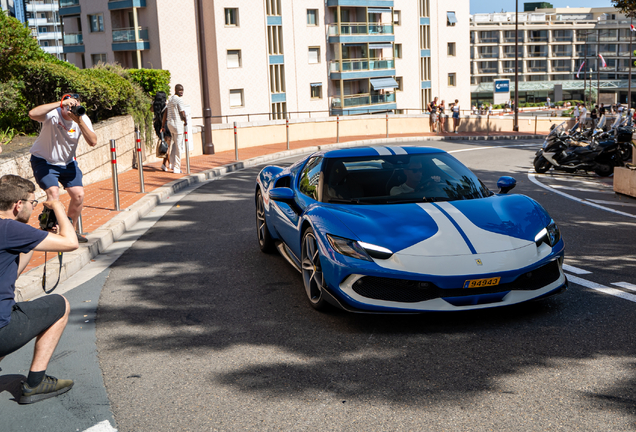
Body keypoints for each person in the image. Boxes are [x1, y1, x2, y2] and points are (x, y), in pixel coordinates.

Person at [0, 175, 78, 404]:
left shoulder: (12, 233)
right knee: (61, 304)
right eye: (32, 204)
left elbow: (12, 273)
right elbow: (71, 242)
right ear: (18, 205)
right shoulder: (9, 229)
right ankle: (35, 383)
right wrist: (58, 207)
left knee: (13, 309)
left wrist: (35, 239)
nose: (34, 208)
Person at [28, 94, 98, 243]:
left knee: (78, 195)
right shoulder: (53, 114)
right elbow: (32, 114)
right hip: (44, 161)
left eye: (75, 104)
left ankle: (70, 231)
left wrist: (79, 121)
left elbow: (93, 141)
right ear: (63, 104)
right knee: (53, 193)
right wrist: (60, 103)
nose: (71, 108)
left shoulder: (82, 118)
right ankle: (47, 229)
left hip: (67, 163)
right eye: (68, 104)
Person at [161, 84, 188, 174]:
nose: (181, 92)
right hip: (177, 125)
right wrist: (185, 121)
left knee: (174, 145)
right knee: (179, 147)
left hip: (170, 125)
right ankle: (177, 167)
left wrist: (163, 125)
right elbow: (182, 112)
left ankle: (172, 164)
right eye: (180, 90)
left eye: (182, 90)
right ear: (176, 90)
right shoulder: (179, 100)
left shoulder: (171, 99)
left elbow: (166, 112)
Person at [151, 91, 172, 172]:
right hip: (165, 126)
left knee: (165, 145)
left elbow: (151, 110)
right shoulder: (165, 106)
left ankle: (165, 164)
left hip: (157, 126)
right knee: (167, 146)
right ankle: (168, 163)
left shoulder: (154, 106)